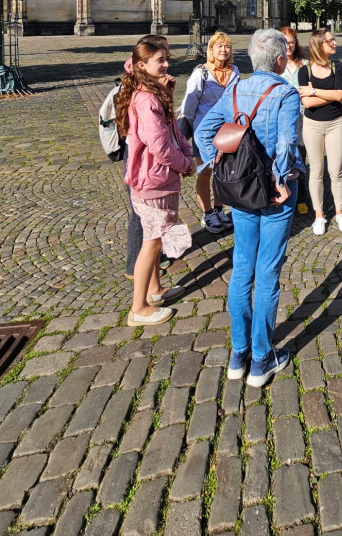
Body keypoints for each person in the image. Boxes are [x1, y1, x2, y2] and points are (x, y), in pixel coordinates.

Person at [195, 29, 303, 386]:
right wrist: (281, 179)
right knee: (267, 271)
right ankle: (261, 358)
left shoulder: (236, 89)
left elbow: (203, 132)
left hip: (241, 189)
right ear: (280, 60)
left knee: (242, 267)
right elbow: (287, 143)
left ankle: (238, 354)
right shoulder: (285, 93)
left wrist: (219, 166)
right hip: (273, 192)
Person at [117, 36, 196, 327]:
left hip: (154, 177)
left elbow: (172, 129)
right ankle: (138, 308)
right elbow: (160, 146)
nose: (166, 65)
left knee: (155, 237)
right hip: (153, 179)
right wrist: (184, 164)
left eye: (166, 59)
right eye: (160, 60)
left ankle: (154, 290)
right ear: (142, 65)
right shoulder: (146, 98)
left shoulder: (152, 90)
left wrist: (167, 96)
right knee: (151, 243)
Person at [178, 31, 239, 235]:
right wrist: (199, 125)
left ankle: (219, 209)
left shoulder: (235, 71)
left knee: (222, 172)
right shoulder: (201, 73)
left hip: (227, 131)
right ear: (211, 50)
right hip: (204, 132)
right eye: (219, 46)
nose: (223, 50)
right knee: (205, 172)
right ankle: (207, 213)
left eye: (227, 46)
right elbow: (188, 106)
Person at [298, 29, 342, 235]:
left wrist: (314, 91)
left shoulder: (338, 67)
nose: (334, 43)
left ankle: (340, 212)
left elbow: (340, 95)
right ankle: (319, 215)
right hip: (312, 125)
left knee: (336, 171)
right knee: (316, 171)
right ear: (319, 45)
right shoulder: (305, 71)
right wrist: (331, 95)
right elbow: (307, 103)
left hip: (335, 123)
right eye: (330, 40)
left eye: (334, 39)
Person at [281, 26, 310, 216]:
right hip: (282, 118)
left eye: (291, 42)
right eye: (285, 43)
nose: (289, 46)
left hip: (302, 117)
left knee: (300, 156)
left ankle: (301, 197)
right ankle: (282, 190)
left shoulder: (304, 64)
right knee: (283, 156)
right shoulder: (276, 65)